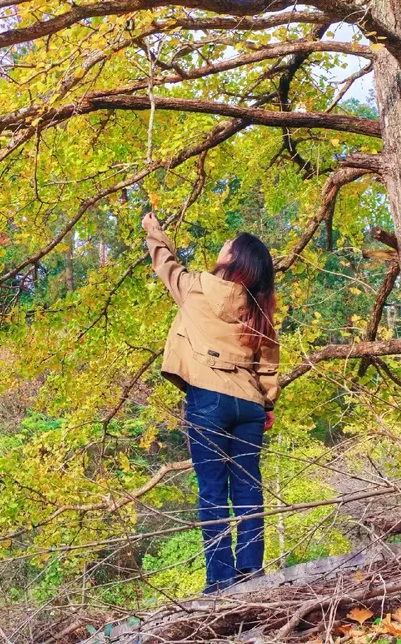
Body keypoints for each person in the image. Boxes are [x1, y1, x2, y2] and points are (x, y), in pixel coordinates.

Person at [142, 211, 280, 594]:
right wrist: (267, 406)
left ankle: (219, 582)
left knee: (213, 493)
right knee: (249, 489)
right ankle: (251, 573)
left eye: (228, 245)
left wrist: (154, 229)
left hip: (208, 401)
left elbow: (165, 265)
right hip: (249, 406)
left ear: (234, 258)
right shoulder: (259, 307)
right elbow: (268, 363)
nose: (222, 246)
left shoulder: (196, 288)